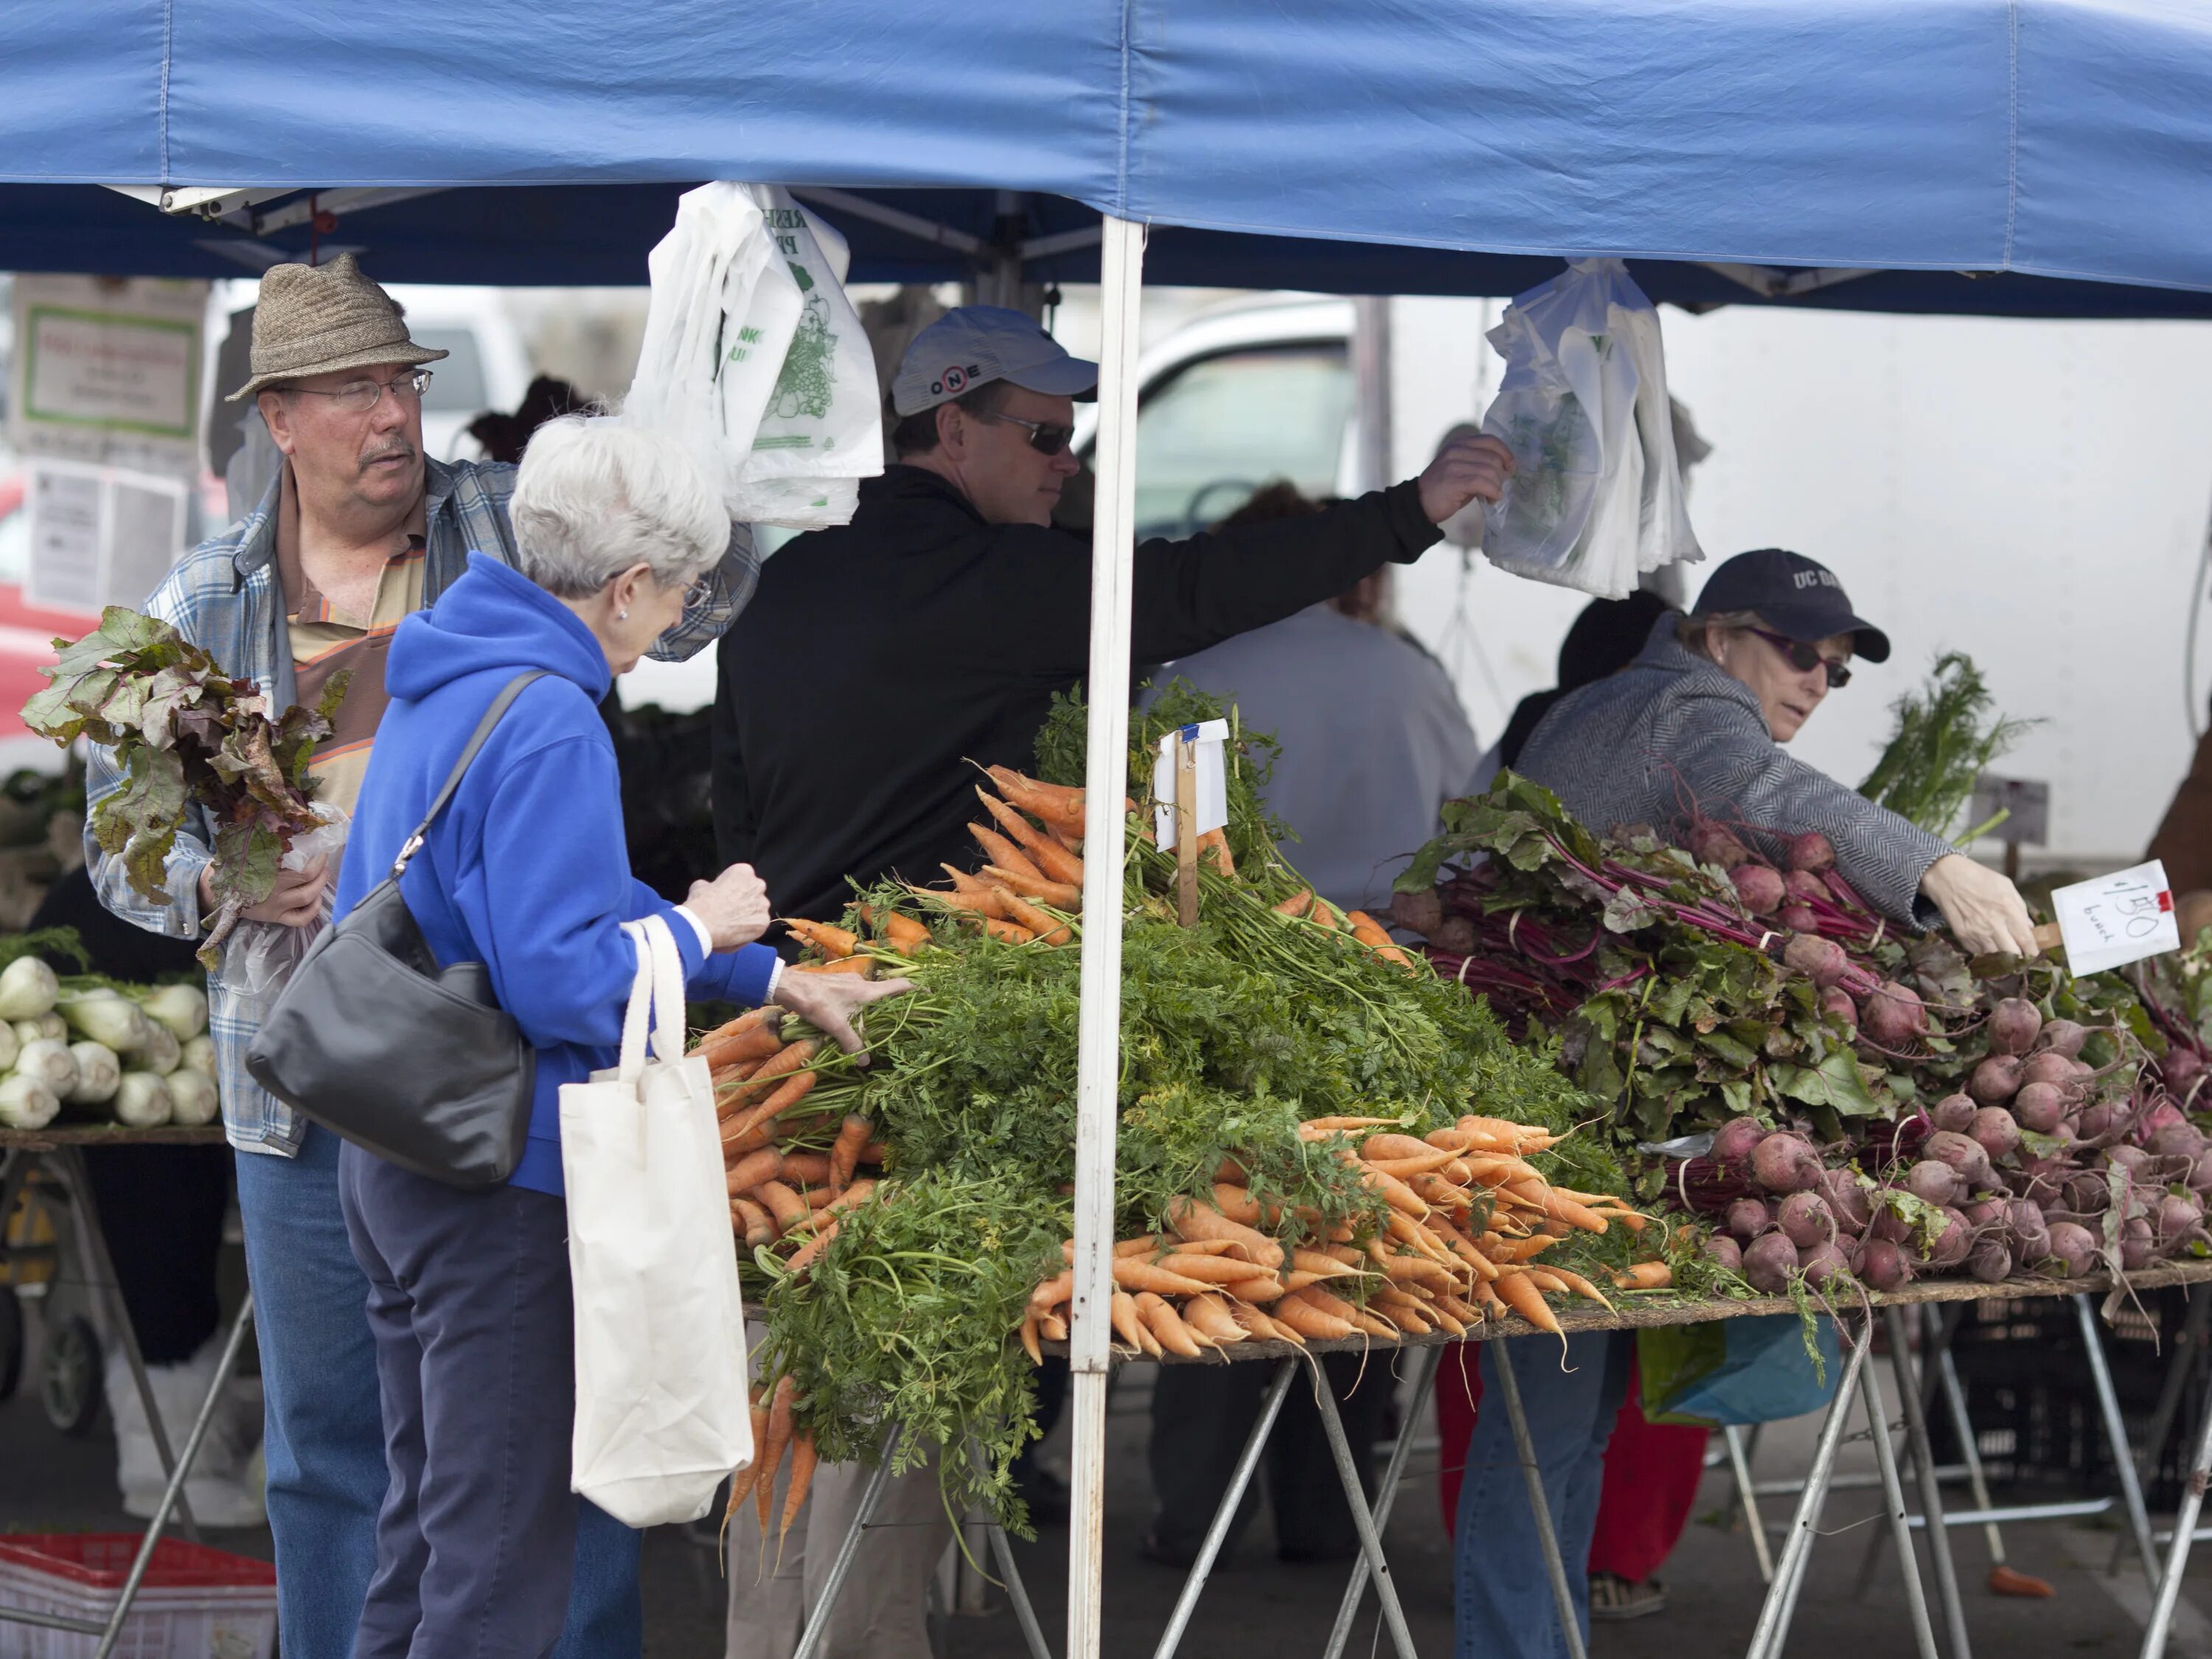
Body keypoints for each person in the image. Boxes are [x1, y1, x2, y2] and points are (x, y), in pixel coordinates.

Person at [80, 254, 756, 1659]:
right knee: (342, 1449)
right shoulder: (205, 601)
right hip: (307, 1072)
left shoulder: (501, 528)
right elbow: (119, 846)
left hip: (499, 1077)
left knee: (539, 1456)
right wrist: (234, 878)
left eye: (403, 382)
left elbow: (684, 595)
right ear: (278, 417)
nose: (392, 417)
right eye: (352, 391)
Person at [329, 417, 902, 1656]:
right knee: (494, 1565)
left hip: (399, 1151)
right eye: (686, 590)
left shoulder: (450, 677)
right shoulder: (552, 722)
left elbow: (543, 900)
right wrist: (700, 931)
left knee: (424, 1541)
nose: (682, 618)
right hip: (502, 1174)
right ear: (630, 586)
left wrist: (770, 974)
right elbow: (564, 982)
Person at [1451, 549, 2039, 1659]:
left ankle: (1543, 1639)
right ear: (1717, 635)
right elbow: (1764, 792)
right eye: (1797, 651)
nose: (1816, 682)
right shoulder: (1682, 701)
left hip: (1558, 1106)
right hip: (1549, 1122)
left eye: (1837, 669)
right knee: (1544, 1427)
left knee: (1565, 1426)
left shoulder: (1613, 704)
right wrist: (1936, 869)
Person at [712, 304, 1516, 925]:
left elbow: (736, 814)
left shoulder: (778, 583)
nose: (1069, 462)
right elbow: (1198, 585)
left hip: (791, 986)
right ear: (955, 428)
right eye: (1045, 437)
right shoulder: (996, 579)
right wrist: (1409, 511)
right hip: (914, 990)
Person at [1136, 480, 1484, 1562]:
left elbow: (1171, 881)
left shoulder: (1195, 681)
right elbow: (1472, 849)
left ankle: (1199, 1517)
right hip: (1392, 1005)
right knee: (1357, 1243)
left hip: (1238, 1005)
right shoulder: (1413, 678)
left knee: (1209, 1245)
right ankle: (1330, 1511)